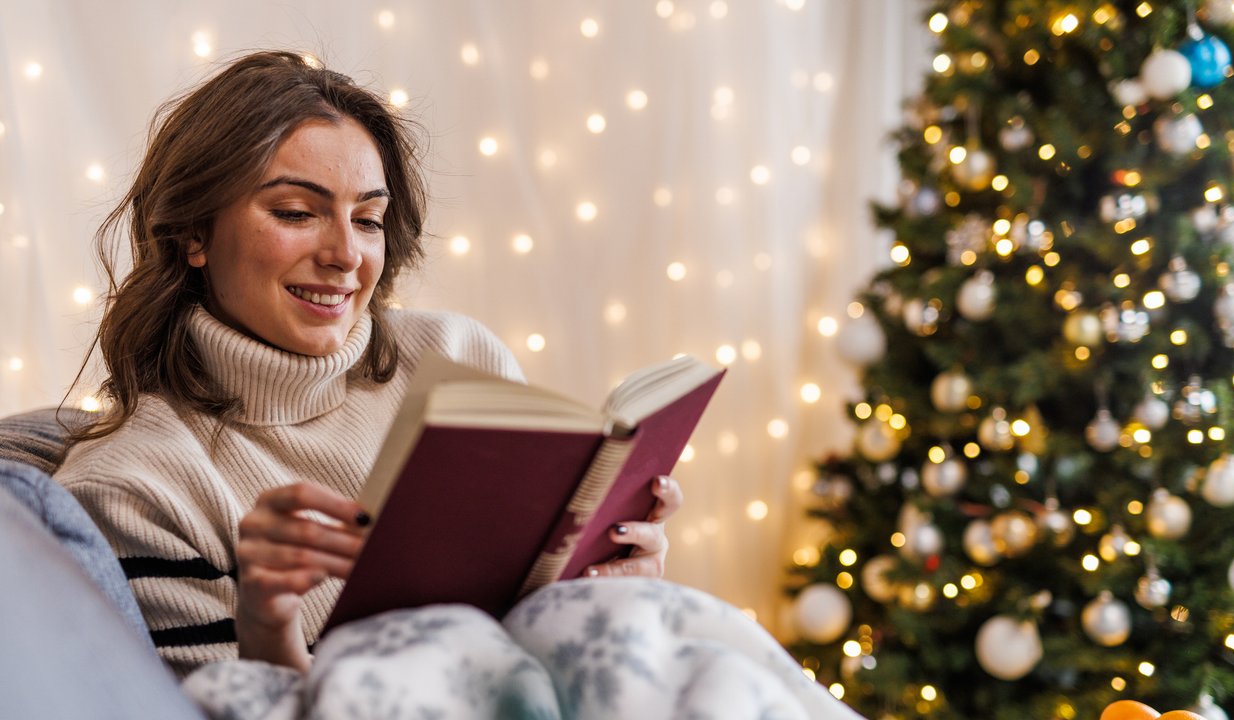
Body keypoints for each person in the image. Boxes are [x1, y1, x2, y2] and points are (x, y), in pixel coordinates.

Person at [56, 51, 859, 719]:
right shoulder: (134, 486)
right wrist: (266, 628)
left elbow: (541, 624)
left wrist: (618, 574)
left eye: (367, 218)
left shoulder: (455, 356)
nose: (345, 255)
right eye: (299, 212)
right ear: (193, 232)